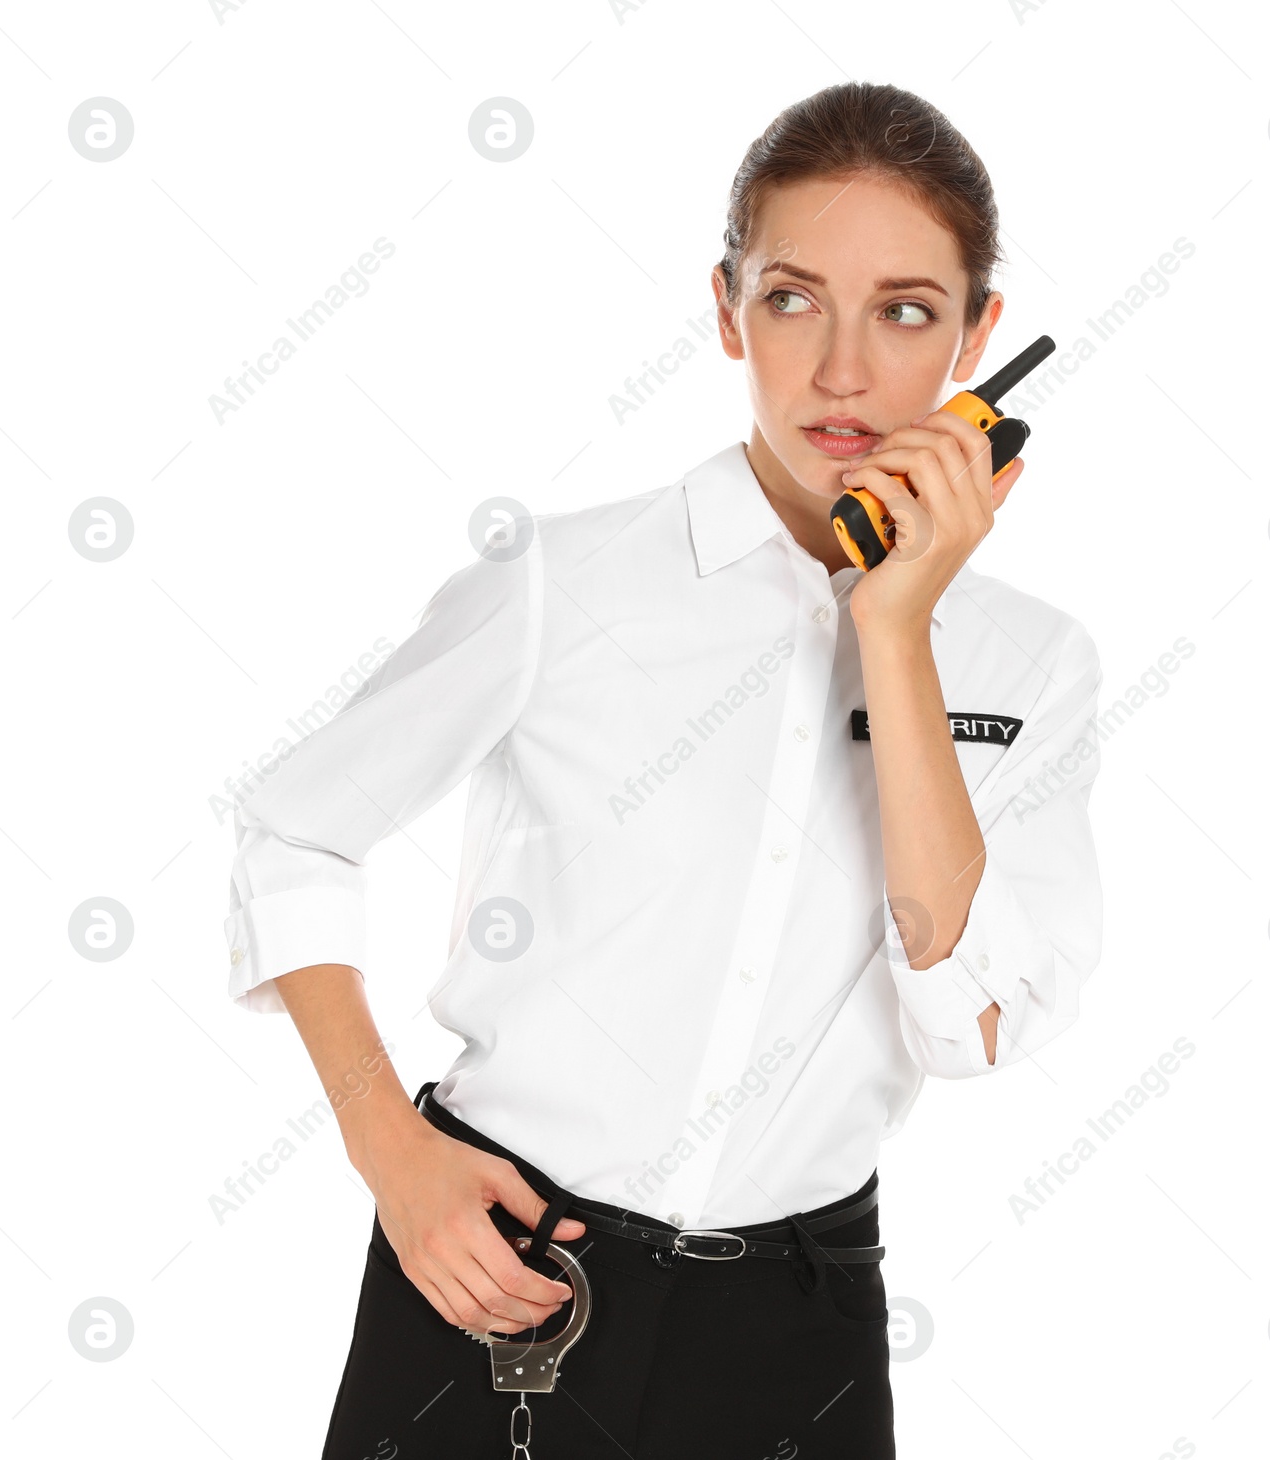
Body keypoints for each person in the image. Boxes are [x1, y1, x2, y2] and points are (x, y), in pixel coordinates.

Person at [223, 79, 1103, 1460]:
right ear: (726, 307)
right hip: (500, 1269)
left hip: (798, 1331)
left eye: (908, 312)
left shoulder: (1029, 665)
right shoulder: (566, 584)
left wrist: (896, 628)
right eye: (794, 298)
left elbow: (966, 1023)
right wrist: (390, 1155)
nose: (842, 371)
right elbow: (293, 834)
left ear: (980, 339)